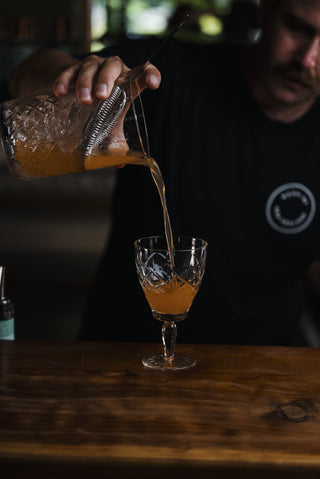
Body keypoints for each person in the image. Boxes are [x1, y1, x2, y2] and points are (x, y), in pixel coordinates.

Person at [9, 0, 320, 345]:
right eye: (298, 28)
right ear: (265, 12)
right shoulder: (167, 72)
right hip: (122, 353)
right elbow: (27, 73)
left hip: (259, 369)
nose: (307, 59)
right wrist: (73, 80)